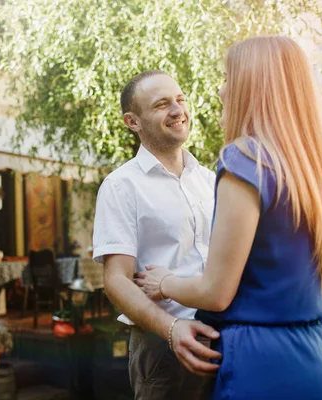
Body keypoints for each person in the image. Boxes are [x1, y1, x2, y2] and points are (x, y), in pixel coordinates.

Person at [136, 35, 322, 399]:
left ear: (253, 86)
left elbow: (216, 292)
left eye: (227, 78)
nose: (222, 91)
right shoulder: (316, 169)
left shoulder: (247, 160)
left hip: (267, 367)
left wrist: (165, 282)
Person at [92, 70, 222, 400]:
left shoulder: (211, 180)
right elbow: (116, 280)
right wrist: (171, 329)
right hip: (165, 346)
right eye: (162, 104)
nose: (178, 110)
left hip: (226, 337)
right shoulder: (121, 186)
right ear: (132, 121)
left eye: (180, 100)